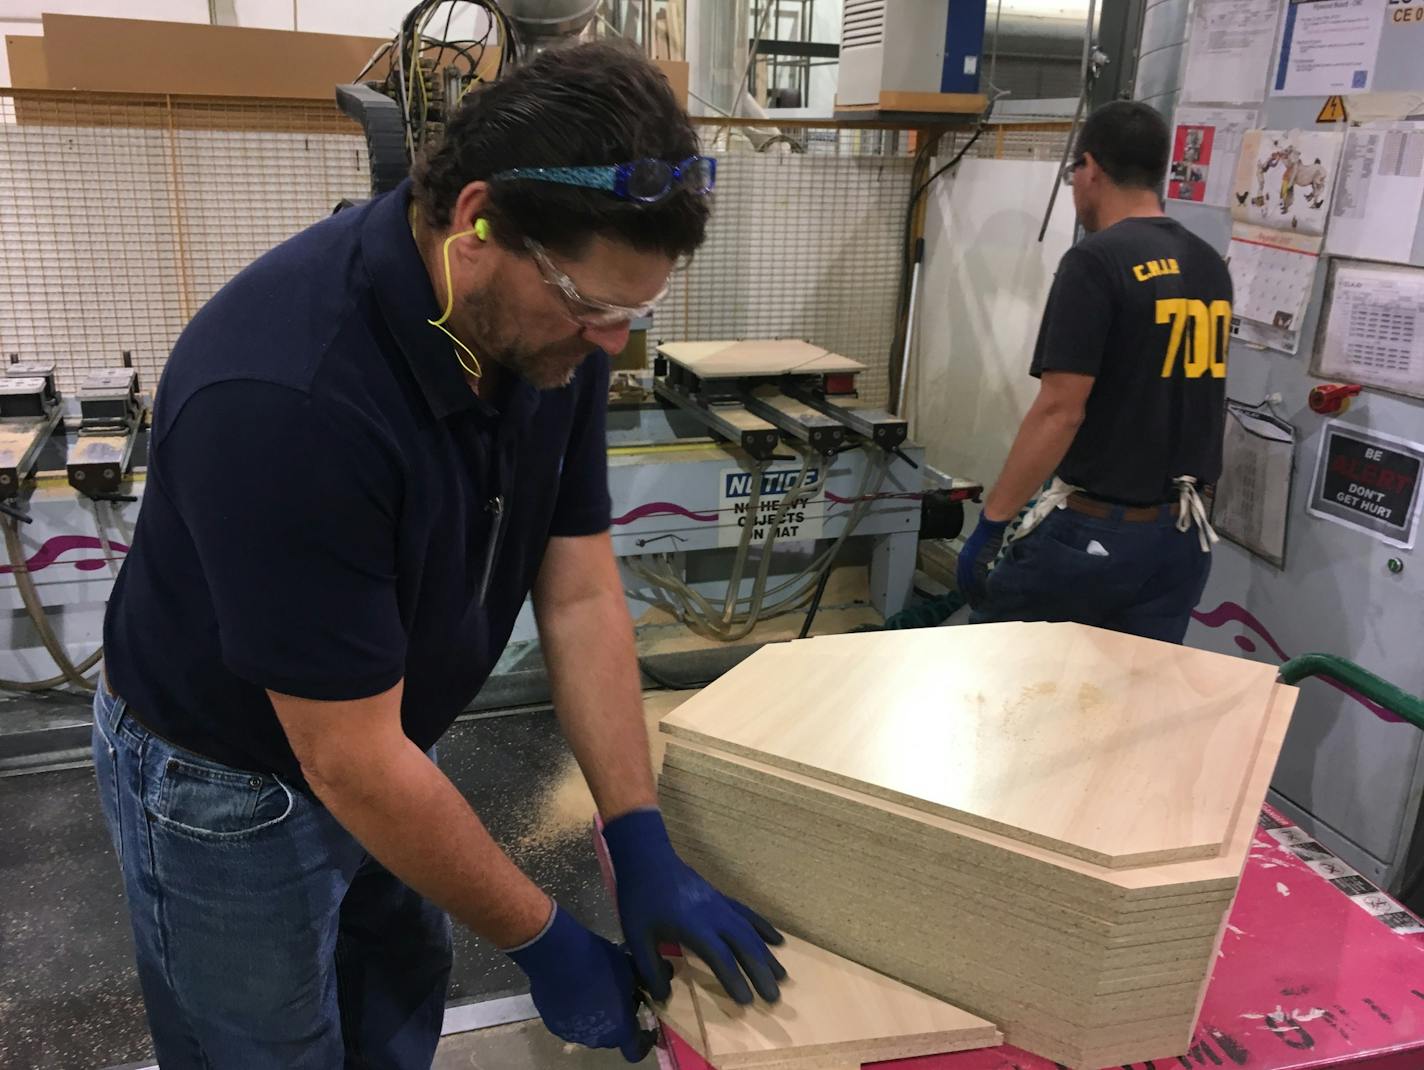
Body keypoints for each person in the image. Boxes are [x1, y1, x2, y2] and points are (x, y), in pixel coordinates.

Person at [94, 42, 784, 1069]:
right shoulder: (290, 396)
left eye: (631, 315)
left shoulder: (546, 329)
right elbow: (347, 759)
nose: (607, 343)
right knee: (264, 1050)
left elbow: (581, 588)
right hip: (228, 784)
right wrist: (544, 938)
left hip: (385, 738)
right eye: (592, 308)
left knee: (393, 1004)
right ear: (476, 223)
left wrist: (634, 831)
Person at [956, 100, 1231, 644]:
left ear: (1091, 168)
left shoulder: (1095, 261)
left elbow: (1060, 411)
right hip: (1181, 541)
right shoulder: (1208, 264)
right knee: (1130, 705)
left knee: (1002, 679)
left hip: (1096, 538)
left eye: (1074, 173)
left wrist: (991, 525)